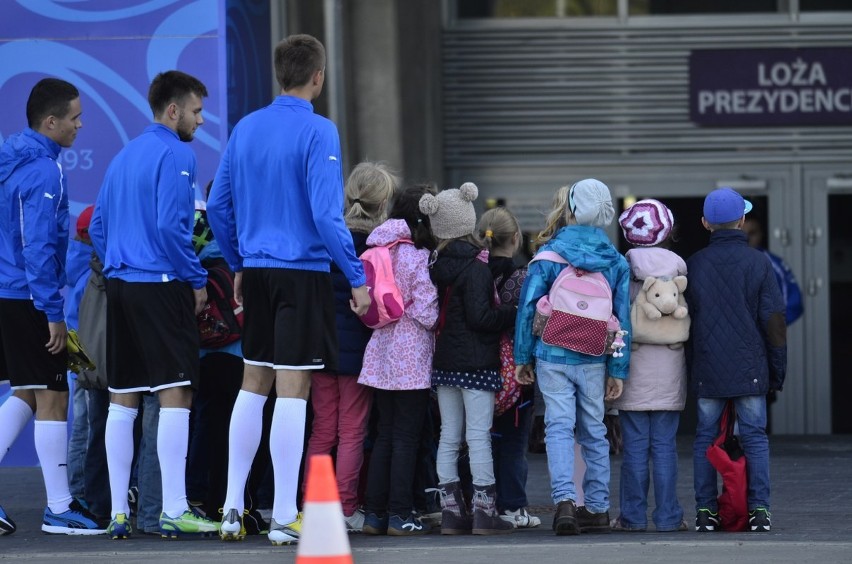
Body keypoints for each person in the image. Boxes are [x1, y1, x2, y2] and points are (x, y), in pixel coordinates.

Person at [206, 34, 371, 546]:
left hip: (255, 270)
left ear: (280, 73)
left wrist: (237, 263)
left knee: (252, 383)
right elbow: (326, 214)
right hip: (302, 273)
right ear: (317, 77)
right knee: (293, 389)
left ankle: (232, 509)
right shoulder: (321, 131)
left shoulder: (246, 127)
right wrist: (358, 276)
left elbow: (216, 208)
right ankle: (282, 515)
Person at [88, 70, 219, 540]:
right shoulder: (178, 153)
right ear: (173, 111)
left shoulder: (123, 156)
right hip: (161, 286)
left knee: (122, 400)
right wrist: (197, 277)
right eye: (197, 111)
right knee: (177, 393)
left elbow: (98, 227)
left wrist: (122, 264)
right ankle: (174, 508)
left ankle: (120, 513)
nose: (201, 121)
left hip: (120, 287)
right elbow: (171, 228)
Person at [0, 78, 105, 535]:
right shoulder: (44, 170)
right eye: (75, 117)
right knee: (53, 395)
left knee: (27, 390)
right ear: (51, 122)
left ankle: (61, 504)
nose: (80, 125)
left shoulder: (14, 159)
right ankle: (59, 508)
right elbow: (37, 246)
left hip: (11, 292)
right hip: (26, 296)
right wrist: (52, 311)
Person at [513, 179, 631, 536]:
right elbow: (622, 320)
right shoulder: (615, 262)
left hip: (552, 353)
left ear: (571, 210)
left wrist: (523, 357)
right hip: (594, 357)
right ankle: (595, 507)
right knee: (594, 429)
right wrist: (617, 368)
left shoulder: (549, 256)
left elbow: (527, 309)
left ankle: (564, 500)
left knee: (558, 427)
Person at [305, 161, 398, 533]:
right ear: (383, 203)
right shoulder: (380, 245)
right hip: (359, 351)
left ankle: (311, 504)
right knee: (353, 431)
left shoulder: (325, 236)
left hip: (320, 347)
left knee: (322, 429)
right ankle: (344, 507)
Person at [687, 187, 786, 533]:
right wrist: (777, 370)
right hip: (750, 369)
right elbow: (773, 321)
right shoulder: (759, 262)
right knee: (755, 437)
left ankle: (705, 511)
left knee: (704, 436)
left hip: (709, 368)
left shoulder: (694, 264)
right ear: (742, 221)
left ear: (704, 223)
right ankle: (760, 511)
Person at [420, 182, 516, 536]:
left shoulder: (434, 265)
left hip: (444, 362)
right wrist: (509, 312)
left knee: (448, 436)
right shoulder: (476, 268)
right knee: (478, 436)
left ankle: (450, 512)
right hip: (476, 363)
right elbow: (480, 318)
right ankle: (484, 511)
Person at [359, 183, 439, 536]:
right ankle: (400, 514)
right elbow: (426, 312)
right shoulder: (417, 256)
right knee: (407, 438)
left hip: (379, 352)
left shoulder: (376, 248)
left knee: (385, 434)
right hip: (411, 357)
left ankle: (375, 515)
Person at [609, 199, 688, 533]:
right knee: (666, 447)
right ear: (669, 232)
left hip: (633, 371)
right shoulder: (681, 273)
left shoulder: (623, 273)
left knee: (636, 448)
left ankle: (632, 516)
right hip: (670, 371)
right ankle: (669, 518)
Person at [477, 206, 541, 529]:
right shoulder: (522, 276)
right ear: (516, 238)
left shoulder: (473, 272)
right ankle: (513, 506)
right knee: (514, 441)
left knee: (480, 439)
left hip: (477, 366)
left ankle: (481, 503)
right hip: (515, 372)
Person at [743, 217, 803, 326]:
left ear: (761, 235)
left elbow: (793, 303)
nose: (746, 238)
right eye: (741, 233)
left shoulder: (775, 266)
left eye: (752, 233)